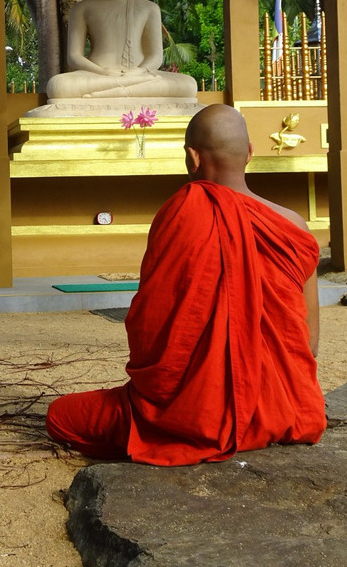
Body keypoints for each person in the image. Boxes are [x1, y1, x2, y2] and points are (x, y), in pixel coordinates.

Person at [45, 104, 326, 465]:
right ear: (251, 153)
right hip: (285, 410)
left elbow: (151, 328)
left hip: (194, 417)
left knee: (61, 416)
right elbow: (310, 343)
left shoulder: (184, 210)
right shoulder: (295, 227)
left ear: (192, 158)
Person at [45, 0, 196, 100]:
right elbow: (74, 56)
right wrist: (105, 73)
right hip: (98, 75)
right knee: (58, 87)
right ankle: (129, 90)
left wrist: (139, 72)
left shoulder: (149, 8)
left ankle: (118, 91)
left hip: (139, 74)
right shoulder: (82, 9)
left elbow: (155, 56)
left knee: (189, 85)